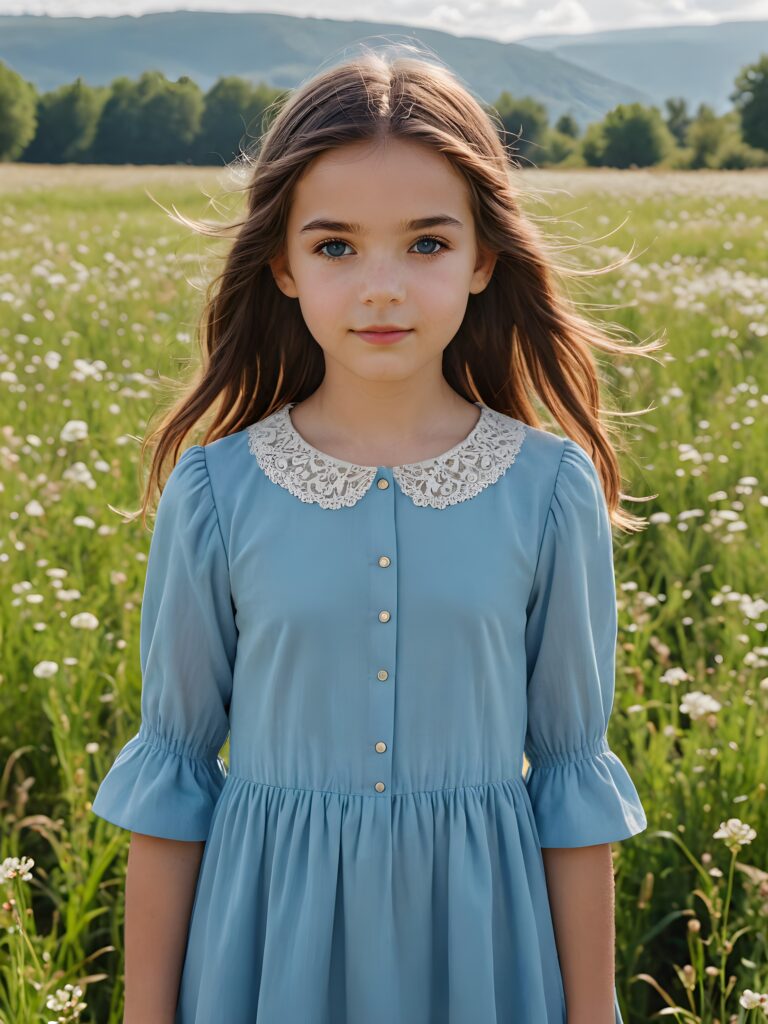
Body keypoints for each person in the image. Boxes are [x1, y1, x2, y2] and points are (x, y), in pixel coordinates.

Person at [90, 42, 660, 1024]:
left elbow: (571, 783)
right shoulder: (217, 489)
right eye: (336, 247)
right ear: (282, 263)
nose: (382, 287)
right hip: (264, 952)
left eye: (427, 244)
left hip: (481, 952)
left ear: (484, 258)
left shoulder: (549, 490)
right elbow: (174, 776)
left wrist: (593, 1012)